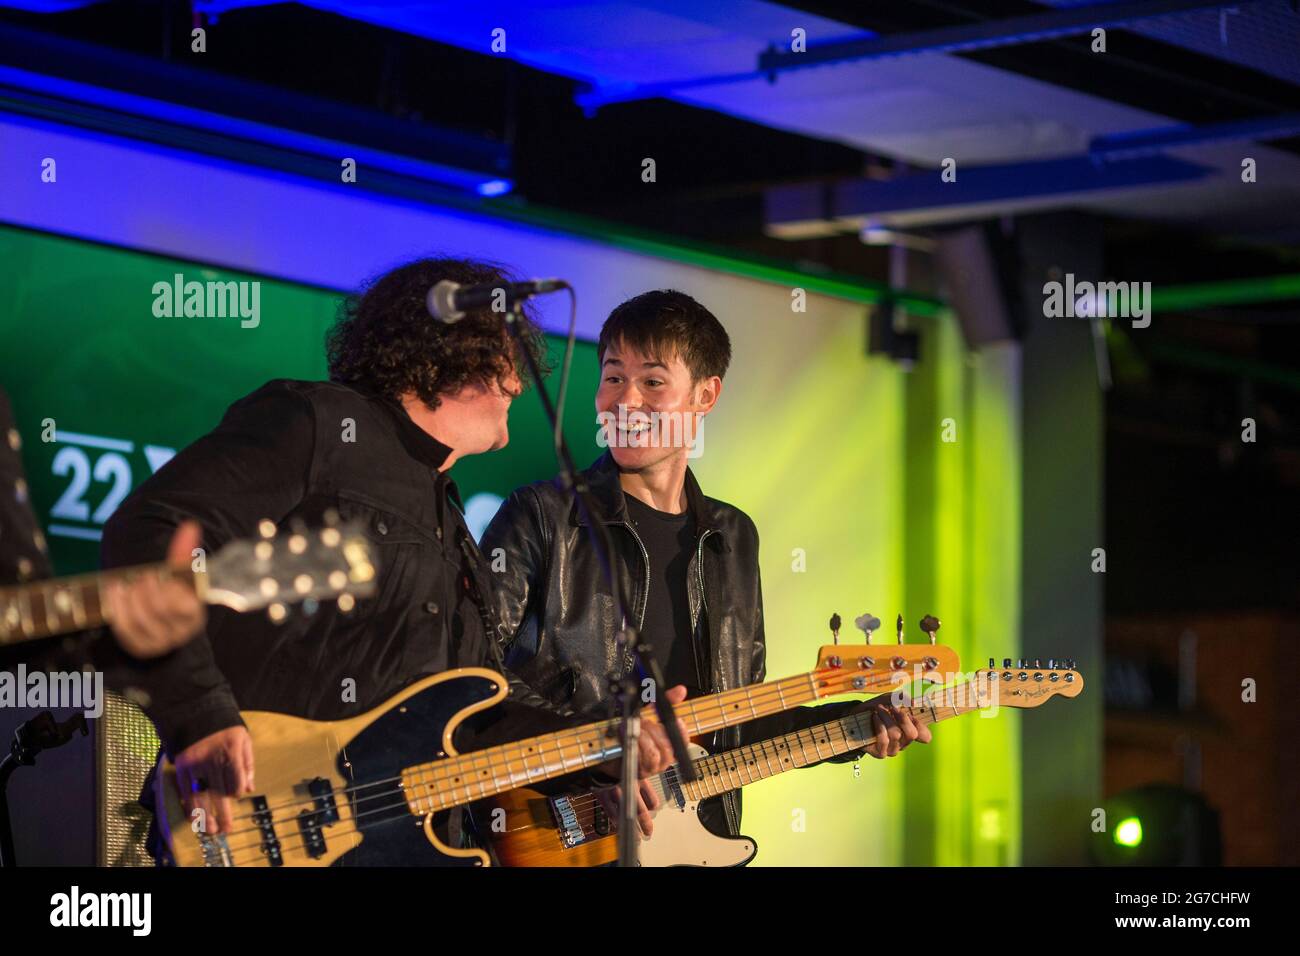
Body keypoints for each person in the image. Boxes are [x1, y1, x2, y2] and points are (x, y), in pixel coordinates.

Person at [97, 258, 680, 860]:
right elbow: (149, 532)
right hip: (257, 817)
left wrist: (607, 747)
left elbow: (477, 719)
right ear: (457, 352)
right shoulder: (319, 422)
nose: (518, 383)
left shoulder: (450, 520)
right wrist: (200, 716)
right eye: (509, 358)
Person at [482, 290, 931, 840]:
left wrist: (862, 724)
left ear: (705, 394)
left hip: (697, 840)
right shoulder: (543, 515)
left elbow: (742, 719)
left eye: (652, 382)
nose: (625, 401)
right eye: (613, 376)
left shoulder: (732, 537)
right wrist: (594, 751)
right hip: (557, 833)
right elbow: (473, 673)